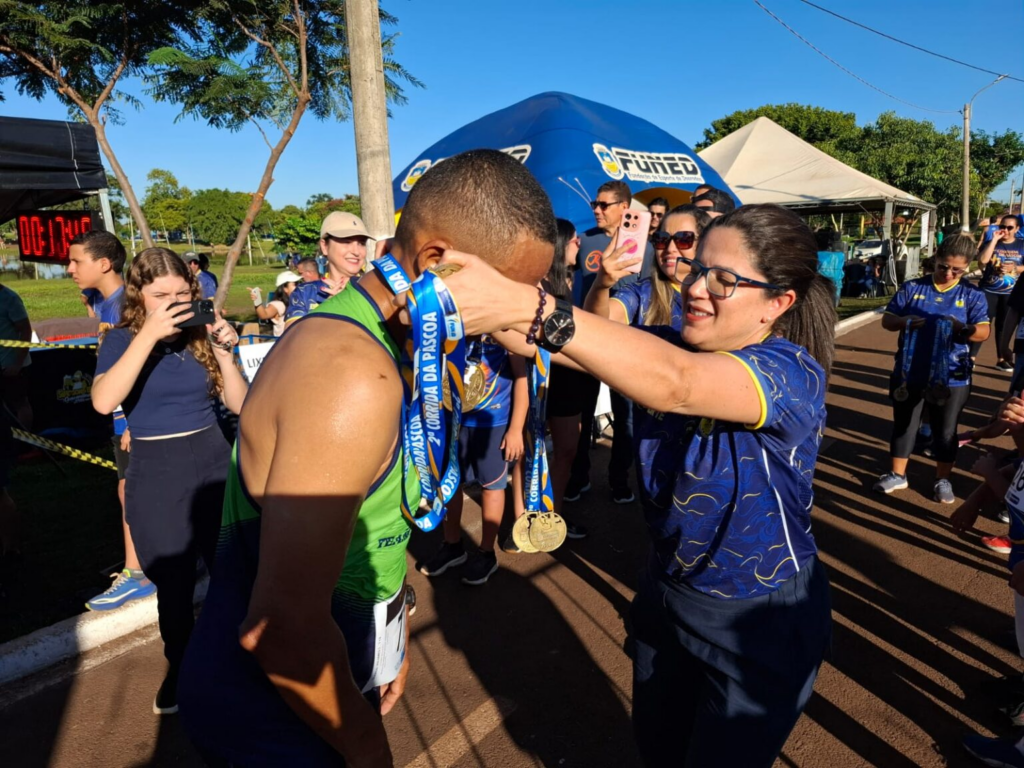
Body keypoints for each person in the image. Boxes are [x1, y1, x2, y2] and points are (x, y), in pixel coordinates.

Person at [177, 149, 556, 767]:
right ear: (437, 261)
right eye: (509, 291)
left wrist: (390, 629)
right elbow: (283, 629)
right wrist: (368, 749)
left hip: (325, 673)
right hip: (271, 713)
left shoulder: (395, 337)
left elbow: (372, 522)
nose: (515, 311)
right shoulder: (352, 373)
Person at [436, 203, 836, 767]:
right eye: (699, 270)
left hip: (758, 614)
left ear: (779, 302)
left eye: (724, 280)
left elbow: (675, 386)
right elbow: (537, 343)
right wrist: (449, 284)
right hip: (669, 589)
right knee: (658, 749)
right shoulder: (669, 340)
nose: (697, 287)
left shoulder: (790, 371)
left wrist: (532, 305)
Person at [91, 248, 247, 714]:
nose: (174, 302)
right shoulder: (120, 339)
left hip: (213, 458)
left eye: (182, 292)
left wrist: (225, 352)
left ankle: (239, 660)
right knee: (174, 586)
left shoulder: (199, 335)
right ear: (140, 295)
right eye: (161, 295)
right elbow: (103, 402)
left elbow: (239, 404)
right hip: (157, 469)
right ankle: (181, 666)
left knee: (231, 573)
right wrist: (149, 336)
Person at [68, 231, 156, 611]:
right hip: (121, 413)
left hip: (134, 416)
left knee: (131, 491)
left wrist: (134, 421)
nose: (69, 269)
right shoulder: (106, 303)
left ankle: (137, 574)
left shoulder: (126, 306)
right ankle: (145, 561)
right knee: (130, 488)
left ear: (103, 264)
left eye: (76, 262)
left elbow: (148, 362)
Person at [873, 235, 989, 504]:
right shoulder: (912, 288)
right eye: (942, 266)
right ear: (935, 259)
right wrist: (904, 321)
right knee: (904, 424)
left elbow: (984, 331)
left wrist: (963, 329)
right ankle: (897, 474)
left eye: (956, 270)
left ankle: (942, 478)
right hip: (909, 370)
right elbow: (888, 321)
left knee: (945, 430)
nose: (948, 273)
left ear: (966, 268)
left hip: (952, 375)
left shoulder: (972, 295)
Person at [567, 180, 655, 504]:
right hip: (587, 340)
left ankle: (619, 479)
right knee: (582, 414)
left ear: (624, 208)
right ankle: (578, 478)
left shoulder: (646, 249)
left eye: (604, 205)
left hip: (626, 345)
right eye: (595, 203)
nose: (597, 210)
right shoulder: (585, 240)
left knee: (626, 417)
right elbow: (569, 278)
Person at [417, 336, 527, 585]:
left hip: (493, 424)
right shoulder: (453, 317)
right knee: (449, 483)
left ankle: (487, 553)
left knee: (492, 486)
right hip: (451, 418)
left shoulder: (506, 323)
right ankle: (452, 545)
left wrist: (516, 428)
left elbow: (522, 376)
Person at [585, 204, 710, 330]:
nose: (670, 248)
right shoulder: (640, 293)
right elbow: (598, 325)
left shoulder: (722, 294)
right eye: (662, 239)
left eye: (683, 239)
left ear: (705, 244)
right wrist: (600, 285)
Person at [285, 212, 370, 325]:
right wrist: (330, 307)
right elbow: (291, 336)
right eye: (346, 242)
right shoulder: (304, 293)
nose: (356, 251)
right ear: (324, 246)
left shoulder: (375, 288)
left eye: (361, 243)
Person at [0, 279, 29, 565]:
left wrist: (17, 363)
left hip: (11, 368)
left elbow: (25, 330)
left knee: (18, 406)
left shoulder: (9, 297)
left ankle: (24, 445)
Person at [972, 215, 1024, 371]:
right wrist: (994, 240)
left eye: (1009, 228)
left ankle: (1001, 358)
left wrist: (1014, 268)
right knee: (982, 323)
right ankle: (971, 357)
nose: (1005, 231)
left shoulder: (1022, 245)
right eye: (1003, 227)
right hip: (989, 290)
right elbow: (982, 261)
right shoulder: (991, 243)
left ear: (1017, 229)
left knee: (1003, 325)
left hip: (1011, 292)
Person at [249, 271, 300, 338]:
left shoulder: (299, 301)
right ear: (285, 288)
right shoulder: (279, 305)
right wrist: (257, 300)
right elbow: (264, 315)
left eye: (299, 283)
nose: (299, 286)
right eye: (295, 284)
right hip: (284, 345)